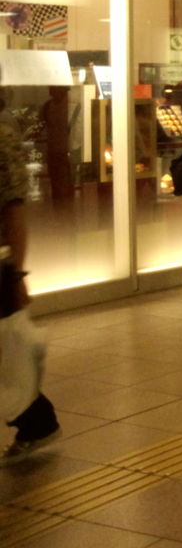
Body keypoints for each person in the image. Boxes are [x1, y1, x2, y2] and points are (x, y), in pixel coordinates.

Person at [0, 124, 61, 464]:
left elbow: (14, 211)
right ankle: (36, 421)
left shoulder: (3, 140)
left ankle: (37, 421)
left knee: (9, 352)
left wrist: (17, 273)